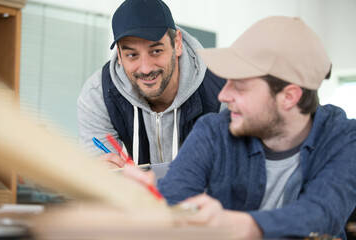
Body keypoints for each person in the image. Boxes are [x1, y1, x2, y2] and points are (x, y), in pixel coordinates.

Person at [124, 16, 356, 239]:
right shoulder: (213, 131)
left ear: (288, 97)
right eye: (227, 82)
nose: (223, 95)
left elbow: (321, 214)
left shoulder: (344, 138)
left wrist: (237, 225)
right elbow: (172, 198)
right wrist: (147, 199)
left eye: (240, 86)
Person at [77, 0, 225, 168]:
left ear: (177, 43)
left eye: (156, 51)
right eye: (132, 55)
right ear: (119, 54)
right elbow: (101, 178)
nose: (146, 69)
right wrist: (106, 176)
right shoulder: (98, 95)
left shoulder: (223, 91)